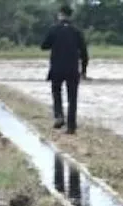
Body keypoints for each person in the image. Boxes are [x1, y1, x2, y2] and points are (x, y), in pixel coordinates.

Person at [41, 4, 88, 134]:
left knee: (56, 92)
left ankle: (59, 115)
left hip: (57, 68)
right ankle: (71, 126)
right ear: (71, 16)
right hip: (72, 68)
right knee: (72, 97)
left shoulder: (54, 29)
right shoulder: (77, 31)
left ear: (60, 14)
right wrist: (84, 70)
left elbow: (44, 46)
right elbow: (84, 52)